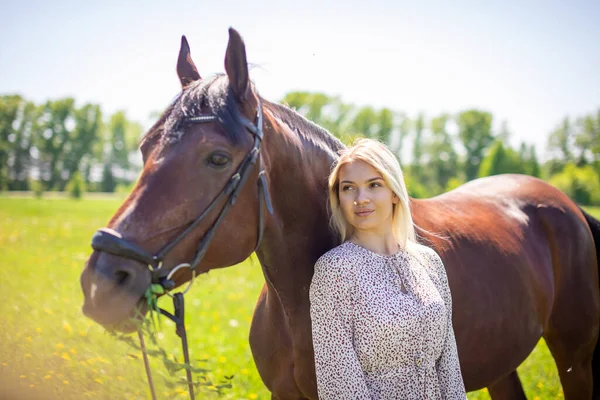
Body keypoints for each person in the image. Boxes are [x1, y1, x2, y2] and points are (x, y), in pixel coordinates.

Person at [309, 138, 466, 399]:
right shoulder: (334, 271)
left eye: (374, 185)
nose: (361, 199)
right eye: (348, 188)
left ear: (394, 192)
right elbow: (338, 381)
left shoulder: (429, 262)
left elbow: (449, 364)